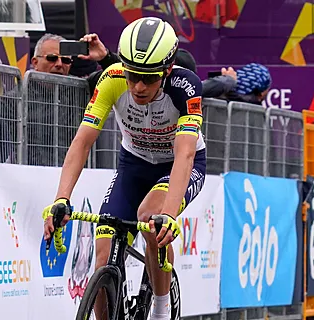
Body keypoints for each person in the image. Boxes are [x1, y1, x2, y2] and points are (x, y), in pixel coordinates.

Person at [42, 17, 206, 320]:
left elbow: (185, 155)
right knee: (102, 252)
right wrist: (61, 198)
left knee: (150, 219)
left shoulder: (185, 87)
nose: (138, 86)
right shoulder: (111, 78)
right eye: (132, 76)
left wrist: (168, 216)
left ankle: (160, 307)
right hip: (133, 166)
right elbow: (82, 142)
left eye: (149, 78)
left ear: (167, 71)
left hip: (176, 167)